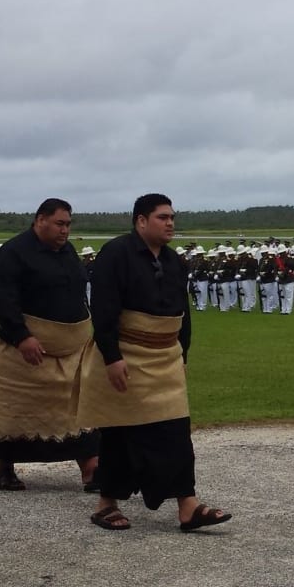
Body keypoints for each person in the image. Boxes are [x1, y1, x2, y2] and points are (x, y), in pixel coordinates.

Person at [78, 193, 230, 531]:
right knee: (120, 432)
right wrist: (112, 357)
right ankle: (107, 504)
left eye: (172, 217)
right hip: (127, 356)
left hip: (165, 359)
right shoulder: (115, 254)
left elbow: (182, 314)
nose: (170, 223)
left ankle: (187, 506)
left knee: (176, 431)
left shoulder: (176, 261)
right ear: (141, 221)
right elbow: (103, 311)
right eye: (163, 217)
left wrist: (183, 353)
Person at [0, 198, 99, 492]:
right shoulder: (14, 252)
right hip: (18, 349)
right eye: (60, 223)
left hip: (70, 347)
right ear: (40, 220)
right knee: (12, 410)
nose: (65, 230)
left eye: (68, 224)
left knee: (78, 409)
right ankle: (3, 468)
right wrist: (21, 336)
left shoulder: (67, 252)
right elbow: (2, 297)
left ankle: (91, 469)